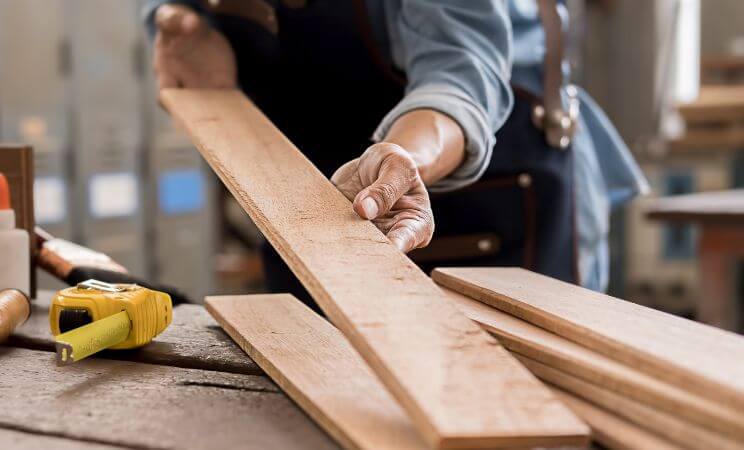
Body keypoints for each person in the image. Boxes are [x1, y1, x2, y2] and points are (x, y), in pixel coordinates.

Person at [144, 0, 647, 301]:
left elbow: (459, 74)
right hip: (320, 194)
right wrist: (177, 22)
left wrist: (402, 160)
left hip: (483, 183)